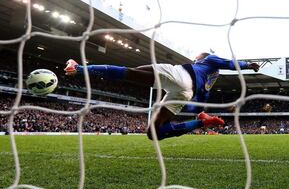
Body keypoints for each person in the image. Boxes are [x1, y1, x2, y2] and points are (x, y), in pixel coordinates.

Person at [64, 52, 260, 140]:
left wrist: (246, 65)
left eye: (197, 57)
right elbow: (201, 97)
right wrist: (201, 115)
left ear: (201, 58)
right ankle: (201, 125)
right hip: (185, 92)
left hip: (179, 76)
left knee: (130, 73)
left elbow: (228, 63)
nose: (195, 58)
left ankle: (78, 68)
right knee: (154, 133)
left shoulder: (209, 59)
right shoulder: (210, 79)